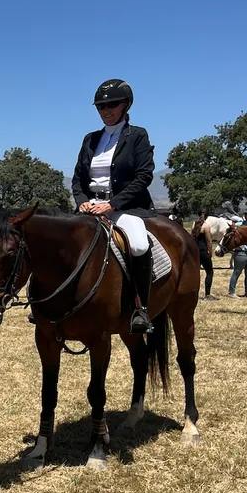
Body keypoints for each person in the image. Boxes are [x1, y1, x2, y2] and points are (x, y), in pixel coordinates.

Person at [72, 79, 157, 334]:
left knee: (139, 244)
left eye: (112, 105)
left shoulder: (137, 135)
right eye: (100, 106)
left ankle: (141, 308)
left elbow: (144, 176)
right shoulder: (90, 139)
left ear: (126, 105)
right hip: (90, 207)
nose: (105, 110)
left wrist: (112, 204)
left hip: (124, 207)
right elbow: (77, 179)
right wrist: (81, 201)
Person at [228, 211, 247, 297]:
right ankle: (232, 292)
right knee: (237, 272)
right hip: (241, 252)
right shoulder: (238, 225)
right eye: (246, 215)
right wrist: (237, 246)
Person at [191, 214, 216, 299]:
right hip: (203, 251)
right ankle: (207, 294)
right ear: (206, 217)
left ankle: (193, 292)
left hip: (195, 251)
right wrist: (210, 253)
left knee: (195, 273)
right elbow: (209, 241)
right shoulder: (206, 226)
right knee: (209, 272)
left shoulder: (194, 224)